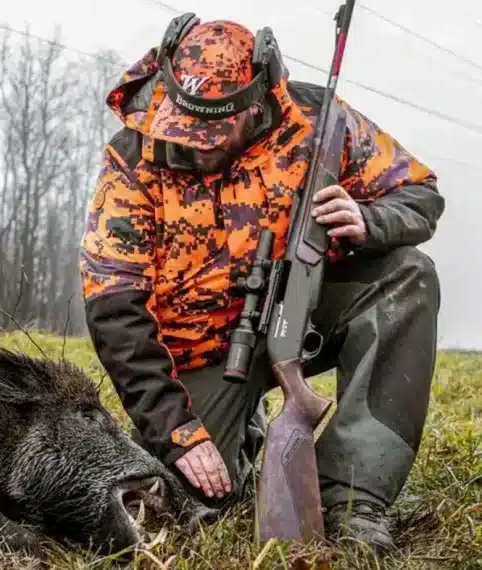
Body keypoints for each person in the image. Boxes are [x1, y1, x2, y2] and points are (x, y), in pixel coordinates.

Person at [79, 14, 445, 554]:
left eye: (215, 131)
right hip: (198, 354)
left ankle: (354, 498)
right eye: (186, 126)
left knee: (408, 275)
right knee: (188, 504)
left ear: (257, 101)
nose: (199, 146)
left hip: (302, 312)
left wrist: (370, 221)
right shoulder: (133, 156)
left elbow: (421, 192)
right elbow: (114, 308)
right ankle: (243, 435)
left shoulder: (320, 120)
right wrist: (177, 431)